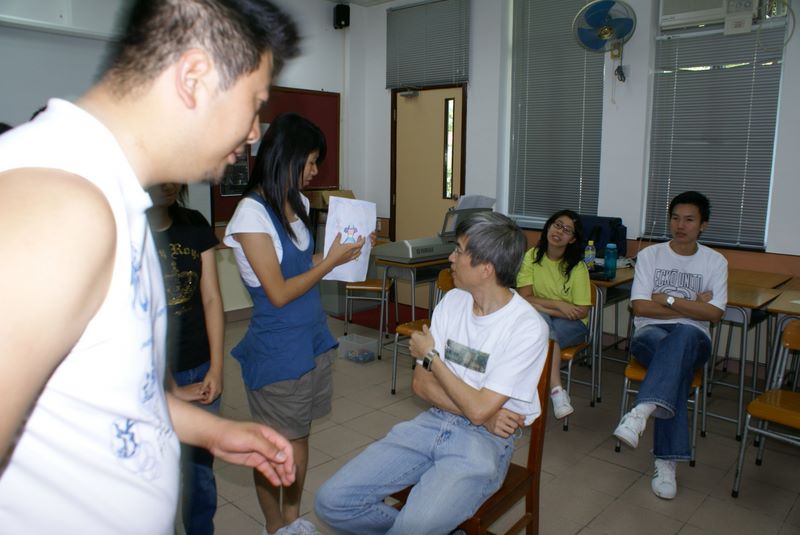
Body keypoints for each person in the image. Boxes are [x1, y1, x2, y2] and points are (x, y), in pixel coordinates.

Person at [0, 1, 301, 532]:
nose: (255, 132)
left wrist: (211, 431)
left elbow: (109, 394)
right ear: (194, 77)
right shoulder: (59, 207)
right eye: (254, 103)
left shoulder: (114, 195)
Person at [314, 212, 549, 535]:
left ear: (486, 268)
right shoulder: (453, 302)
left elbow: (475, 406)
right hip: (434, 422)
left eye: (459, 251)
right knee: (331, 502)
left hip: (484, 444)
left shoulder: (526, 327)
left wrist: (432, 357)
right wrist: (482, 413)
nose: (451, 257)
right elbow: (421, 385)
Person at [224, 112, 366, 535]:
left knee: (299, 438)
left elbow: (306, 264)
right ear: (285, 158)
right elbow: (280, 291)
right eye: (310, 161)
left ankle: (292, 520)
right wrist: (329, 263)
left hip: (312, 341)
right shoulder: (250, 215)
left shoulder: (299, 204)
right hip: (277, 352)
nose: (315, 171)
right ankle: (275, 526)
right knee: (274, 447)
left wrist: (344, 251)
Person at [613, 191, 727, 500]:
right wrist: (694, 305)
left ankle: (641, 410)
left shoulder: (715, 262)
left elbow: (714, 314)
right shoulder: (651, 255)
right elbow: (640, 307)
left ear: (703, 225)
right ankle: (665, 461)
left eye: (689, 219)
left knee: (685, 337)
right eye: (675, 218)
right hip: (649, 335)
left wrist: (668, 299)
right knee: (676, 367)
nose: (680, 225)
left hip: (695, 339)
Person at [148, 183, 224, 535]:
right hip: (150, 376)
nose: (168, 183)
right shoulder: (127, 228)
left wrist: (217, 369)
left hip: (198, 365)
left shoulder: (193, 223)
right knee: (156, 473)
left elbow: (211, 299)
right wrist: (168, 386)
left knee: (199, 473)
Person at [516, 209, 591, 419]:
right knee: (541, 329)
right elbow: (524, 297)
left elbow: (581, 311)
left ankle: (523, 397)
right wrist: (558, 305)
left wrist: (542, 307)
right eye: (557, 225)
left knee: (534, 339)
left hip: (574, 324)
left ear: (573, 239)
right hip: (545, 317)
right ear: (549, 226)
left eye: (567, 230)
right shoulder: (532, 256)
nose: (559, 231)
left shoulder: (577, 267)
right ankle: (557, 391)